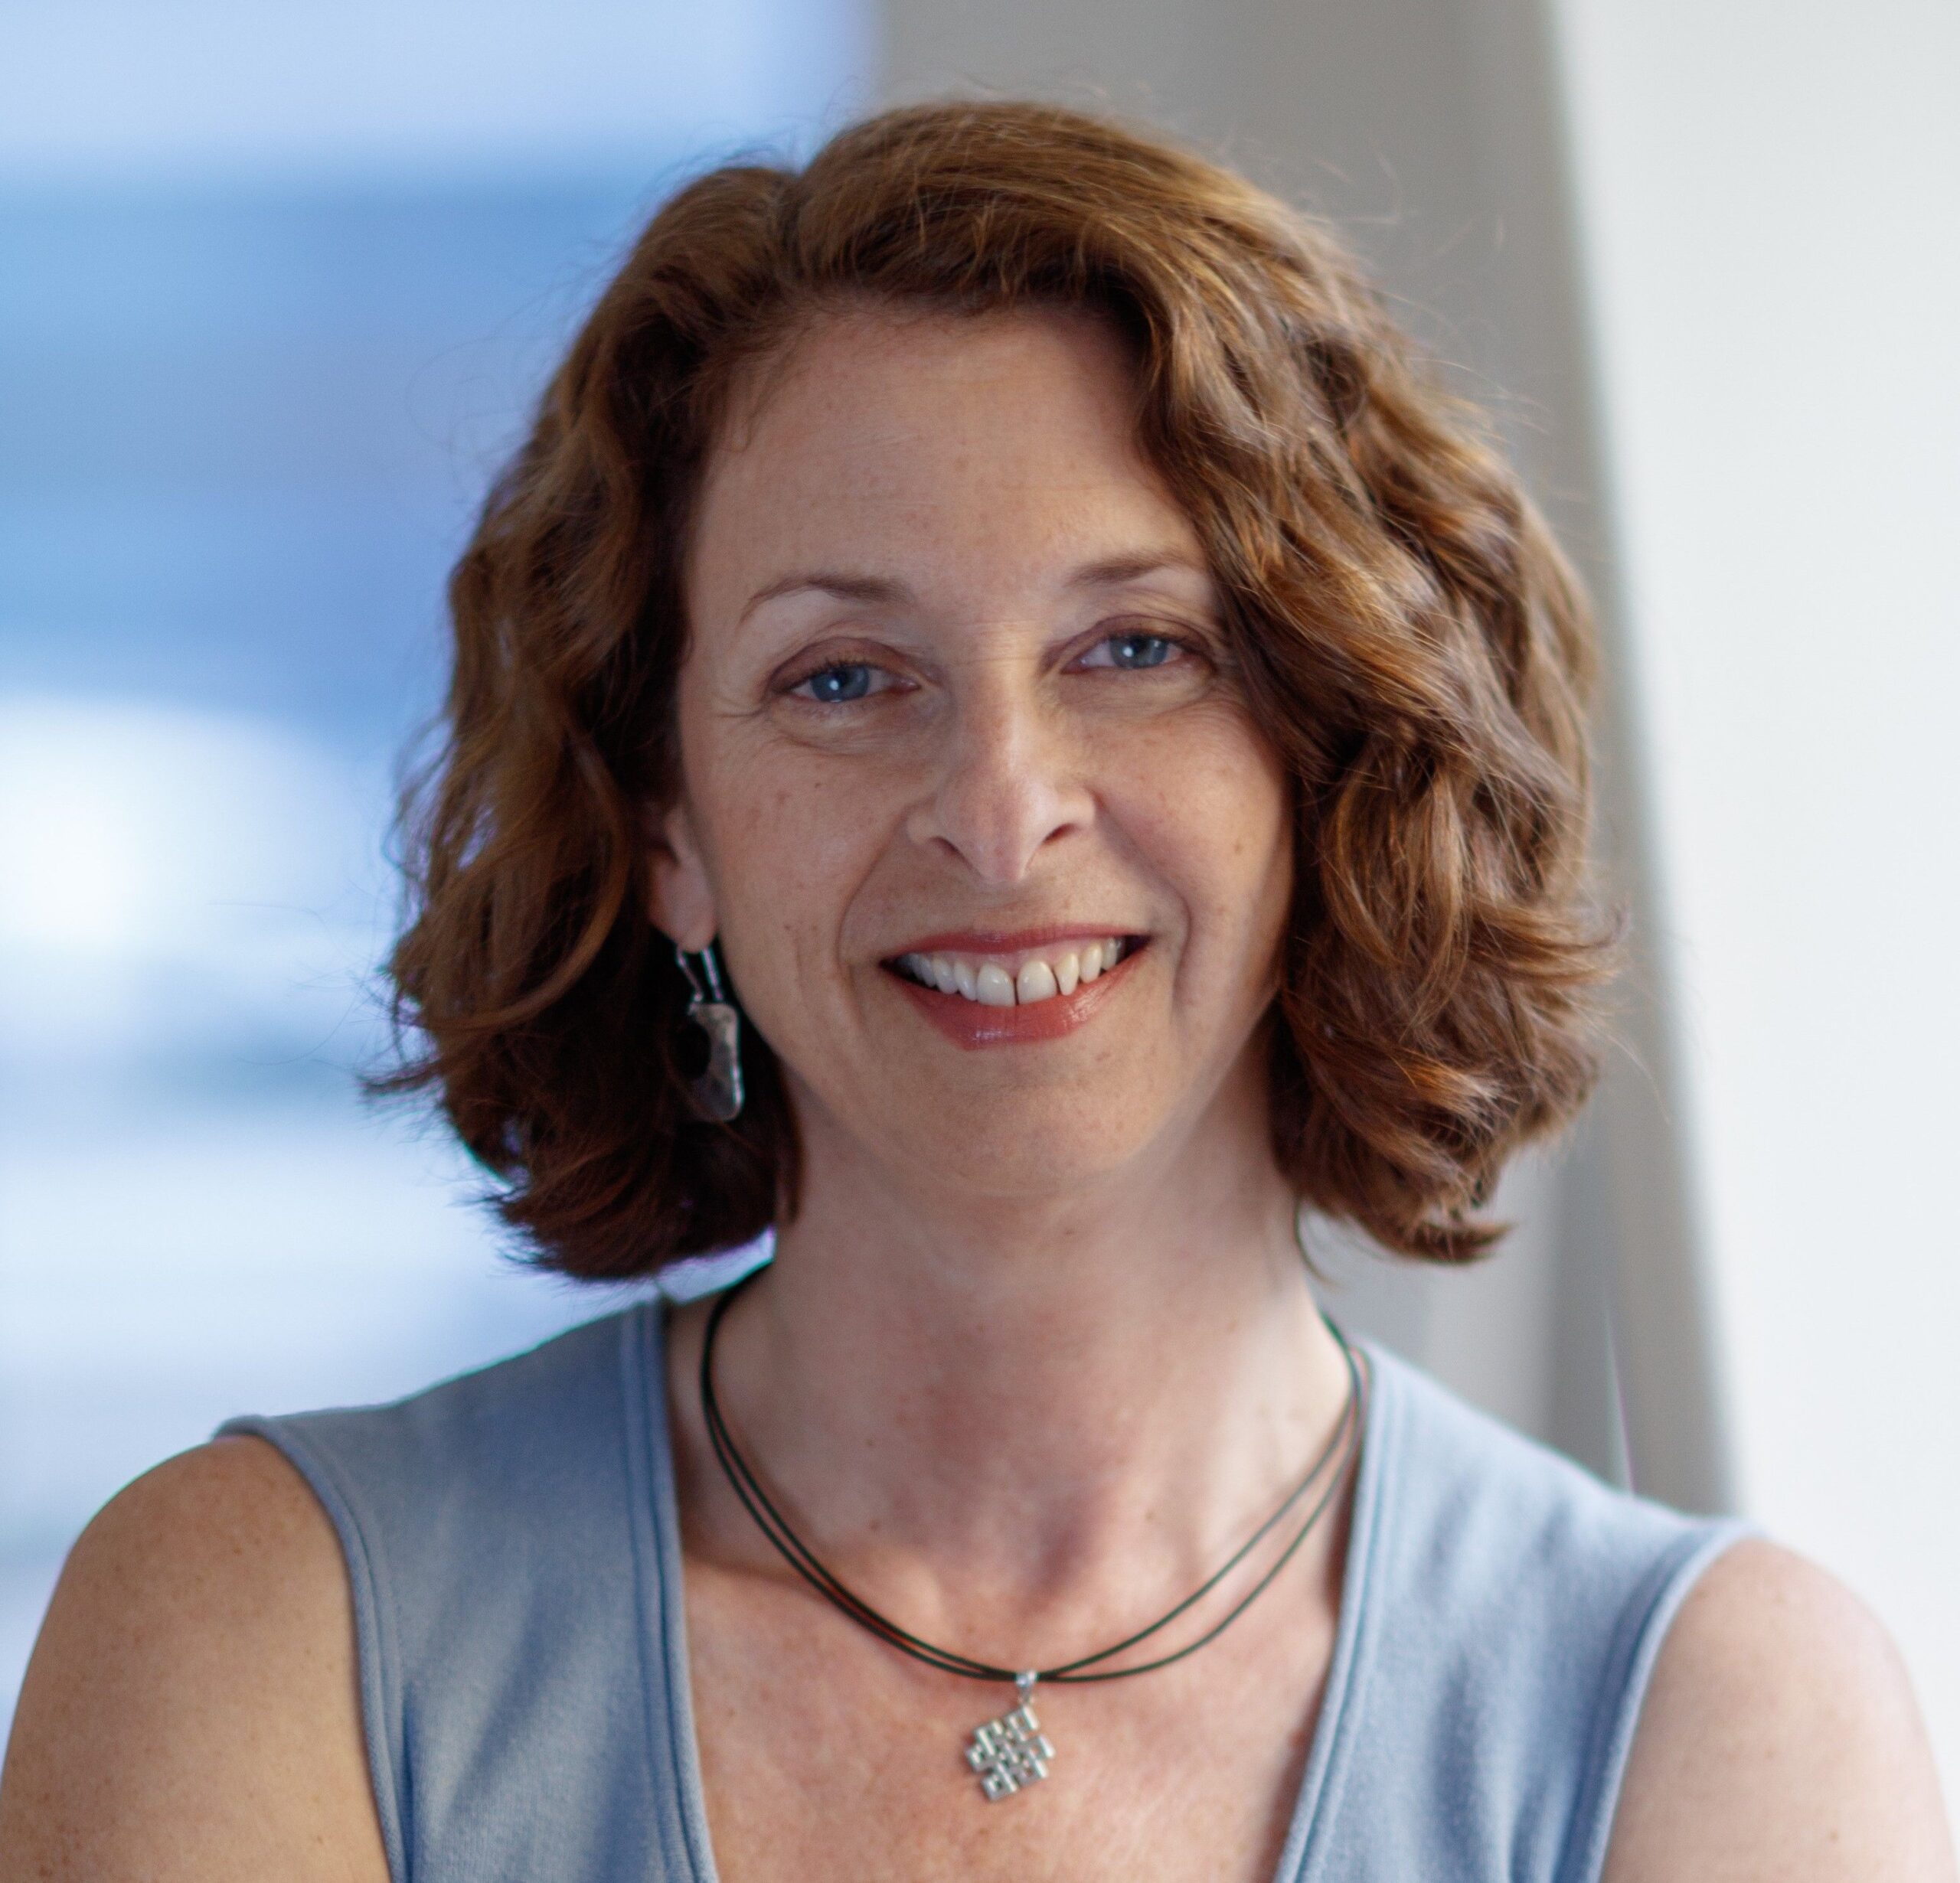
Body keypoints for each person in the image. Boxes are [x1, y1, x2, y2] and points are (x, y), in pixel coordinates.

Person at [0, 100, 1950, 1883]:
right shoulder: (263, 1629)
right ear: (666, 814)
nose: (1000, 813)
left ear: (1327, 750)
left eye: (1135, 647)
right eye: (843, 678)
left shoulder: (1722, 1720)